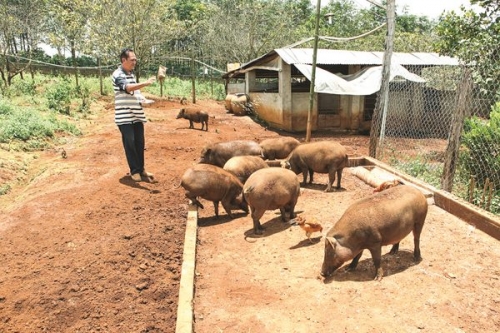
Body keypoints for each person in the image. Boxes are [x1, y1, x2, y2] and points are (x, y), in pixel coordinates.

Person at [112, 48, 156, 182]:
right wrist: (145, 83)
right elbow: (127, 88)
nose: (134, 62)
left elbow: (135, 93)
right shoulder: (117, 74)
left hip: (136, 115)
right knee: (129, 143)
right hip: (124, 116)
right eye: (132, 60)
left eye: (135, 59)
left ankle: (141, 169)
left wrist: (143, 99)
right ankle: (134, 170)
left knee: (139, 142)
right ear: (123, 60)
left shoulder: (131, 74)